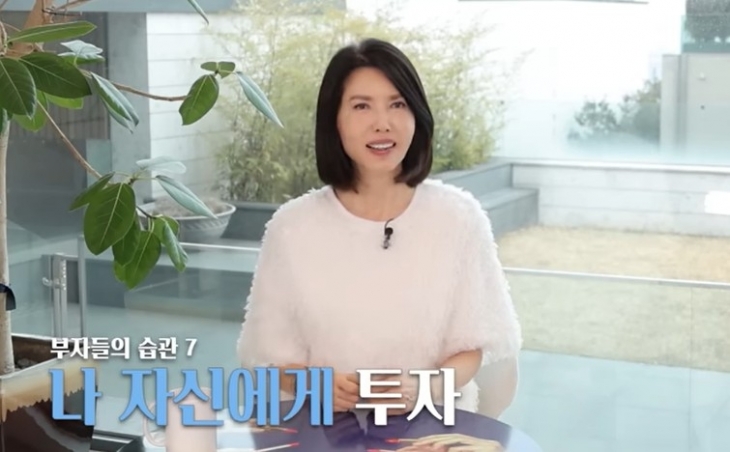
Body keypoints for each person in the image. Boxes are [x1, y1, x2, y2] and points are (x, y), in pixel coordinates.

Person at [236, 37, 522, 419]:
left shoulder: (459, 218)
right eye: (361, 106)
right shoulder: (292, 228)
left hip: (431, 429)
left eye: (397, 104)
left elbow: (475, 344)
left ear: (417, 115)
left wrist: (423, 389)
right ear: (334, 120)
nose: (382, 124)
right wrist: (313, 384)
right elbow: (266, 357)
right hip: (323, 431)